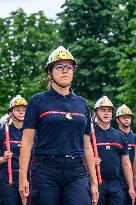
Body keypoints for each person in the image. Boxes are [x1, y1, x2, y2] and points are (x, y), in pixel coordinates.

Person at [19, 46, 99, 205]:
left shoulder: (82, 103)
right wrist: (22, 179)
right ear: (50, 72)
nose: (65, 71)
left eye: (69, 67)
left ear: (73, 71)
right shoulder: (37, 101)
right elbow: (27, 142)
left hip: (76, 171)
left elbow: (88, 147)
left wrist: (94, 181)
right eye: (59, 67)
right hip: (45, 170)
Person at [92, 96, 135, 205]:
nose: (106, 113)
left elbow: (126, 164)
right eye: (103, 110)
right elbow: (81, 155)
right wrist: (88, 161)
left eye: (109, 110)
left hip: (116, 184)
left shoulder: (119, 136)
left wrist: (131, 187)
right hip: (97, 183)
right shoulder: (90, 134)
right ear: (96, 112)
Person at [0, 95, 29, 205]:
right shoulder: (3, 131)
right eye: (17, 110)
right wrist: (3, 158)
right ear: (10, 112)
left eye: (24, 110)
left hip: (27, 178)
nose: (21, 112)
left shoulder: (30, 132)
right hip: (7, 180)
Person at [115, 104, 136, 204]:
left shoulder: (135, 137)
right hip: (118, 181)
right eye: (123, 117)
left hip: (134, 180)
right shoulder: (114, 136)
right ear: (117, 120)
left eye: (128, 117)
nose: (127, 119)